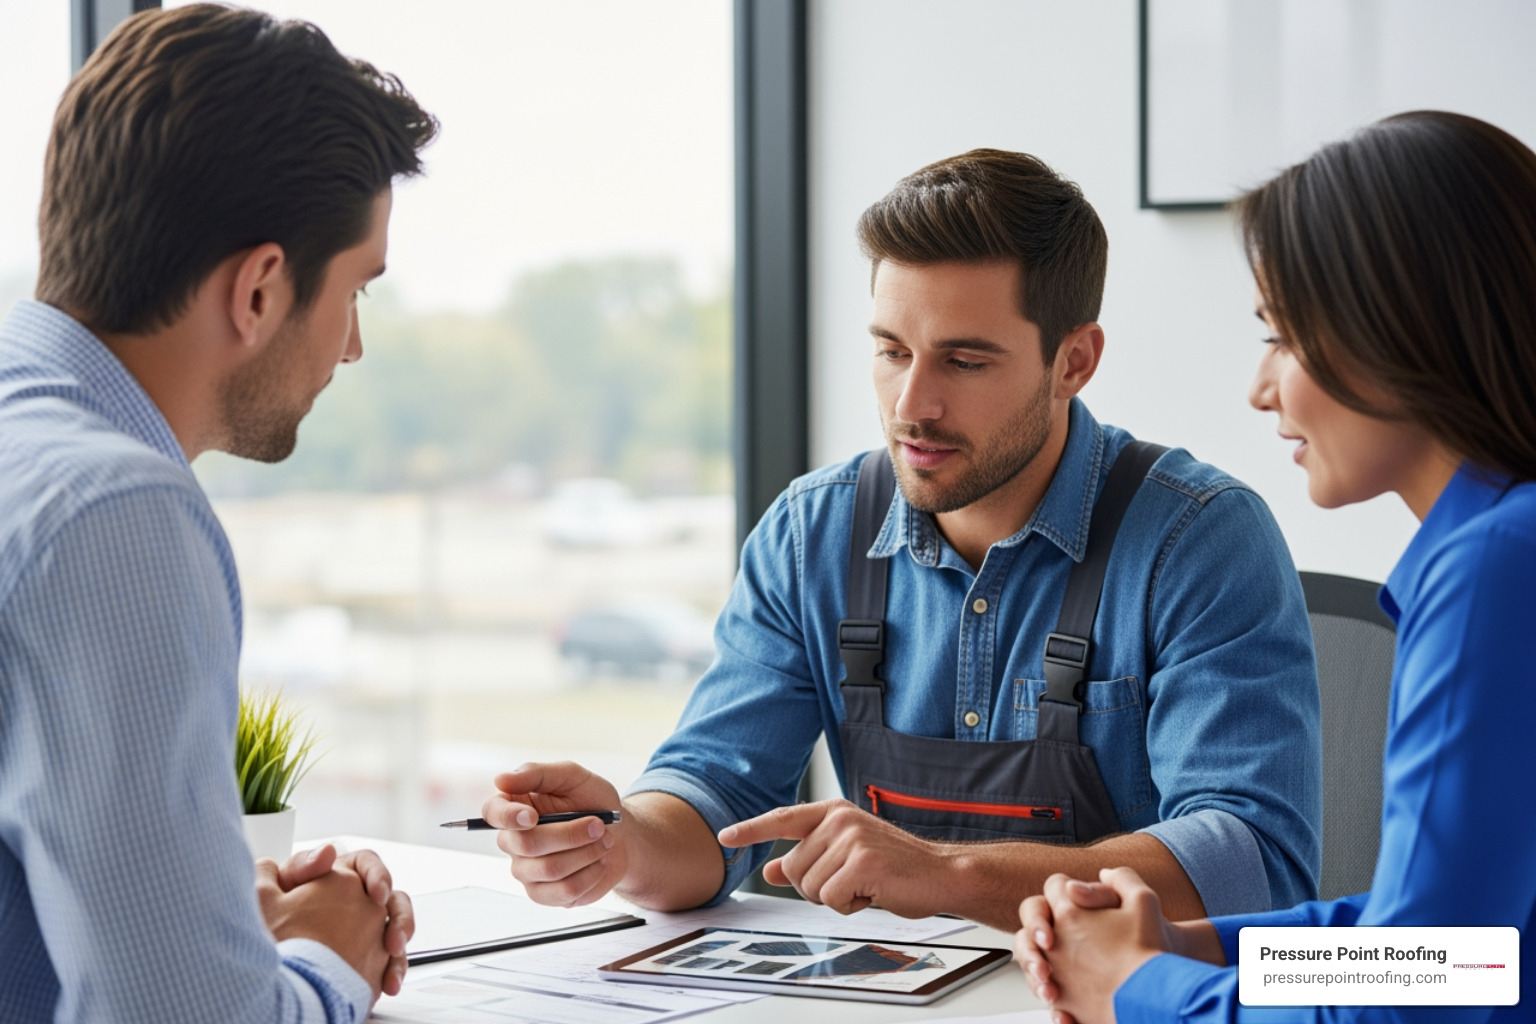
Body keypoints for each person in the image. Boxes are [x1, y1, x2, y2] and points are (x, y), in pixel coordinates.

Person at [484, 149, 1322, 932]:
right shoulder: (811, 534)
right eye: (891, 351)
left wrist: (948, 874)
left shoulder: (1197, 539)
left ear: (1073, 362)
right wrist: (618, 842)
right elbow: (719, 796)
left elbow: (1255, 863)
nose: (911, 405)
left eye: (965, 362)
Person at [1014, 110, 1536, 1024]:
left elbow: (1421, 996)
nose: (1261, 390)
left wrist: (1137, 991)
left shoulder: (1494, 570)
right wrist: (1193, 950)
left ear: (1395, 329)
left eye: (1281, 338)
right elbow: (1453, 946)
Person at [0, 6, 437, 1022]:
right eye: (356, 291)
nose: (351, 346)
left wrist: (212, 926)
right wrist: (331, 959)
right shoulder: (115, 515)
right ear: (260, 290)